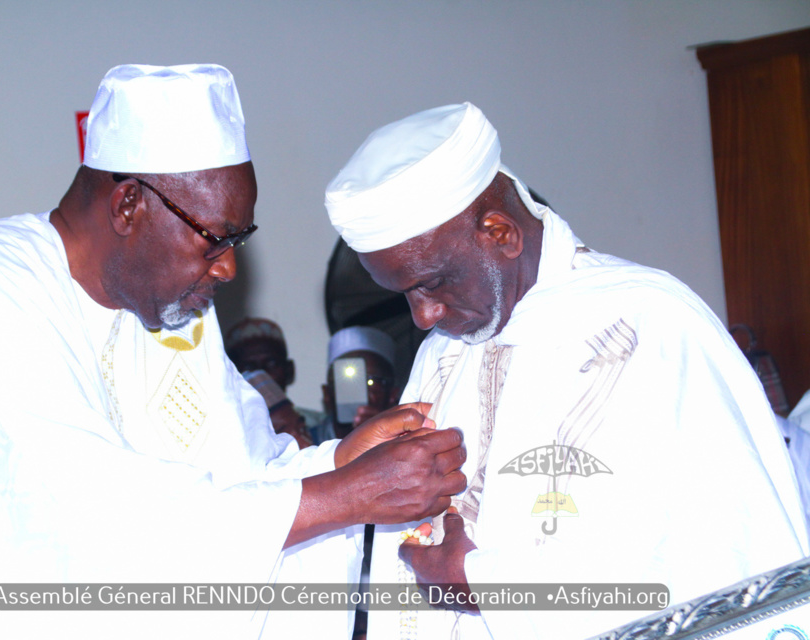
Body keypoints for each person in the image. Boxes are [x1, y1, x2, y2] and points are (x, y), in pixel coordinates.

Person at [0, 64, 468, 639]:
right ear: (128, 206)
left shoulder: (176, 316)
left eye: (238, 241)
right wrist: (346, 494)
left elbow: (237, 478)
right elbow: (87, 526)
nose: (227, 268)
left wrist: (339, 463)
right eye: (215, 240)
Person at [324, 102, 810, 639]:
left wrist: (486, 587)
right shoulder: (444, 351)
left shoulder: (651, 323)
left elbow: (723, 554)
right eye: (404, 295)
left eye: (432, 283)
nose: (423, 316)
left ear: (500, 233)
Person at [225, 316, 325, 429]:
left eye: (272, 364)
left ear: (289, 370)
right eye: (249, 367)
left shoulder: (320, 428)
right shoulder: (225, 432)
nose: (261, 376)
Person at [312, 326, 400, 444]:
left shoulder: (405, 444)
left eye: (371, 381)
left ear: (392, 395)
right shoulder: (303, 445)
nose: (359, 389)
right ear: (327, 393)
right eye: (345, 381)